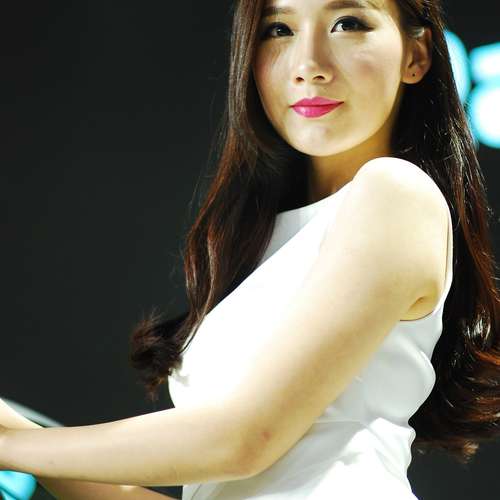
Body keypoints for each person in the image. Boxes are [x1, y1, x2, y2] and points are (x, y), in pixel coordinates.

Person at [1, 0, 500, 498]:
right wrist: (15, 434)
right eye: (279, 29)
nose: (309, 65)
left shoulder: (394, 192)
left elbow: (242, 440)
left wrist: (14, 447)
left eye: (348, 23)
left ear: (416, 55)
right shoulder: (266, 238)